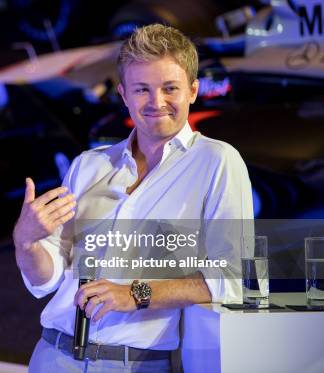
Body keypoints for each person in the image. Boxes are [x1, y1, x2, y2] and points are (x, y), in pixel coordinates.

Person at [13, 24, 254, 373]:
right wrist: (26, 243)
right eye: (142, 89)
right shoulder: (89, 165)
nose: (156, 102)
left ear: (194, 91)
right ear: (124, 95)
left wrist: (135, 294)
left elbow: (234, 277)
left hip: (134, 364)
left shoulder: (217, 162)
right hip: (53, 353)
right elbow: (45, 280)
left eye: (170, 88)